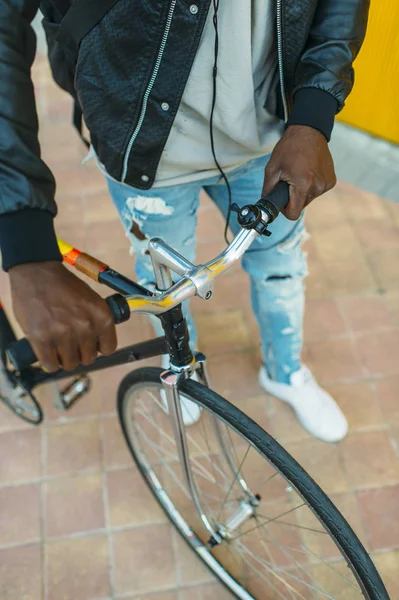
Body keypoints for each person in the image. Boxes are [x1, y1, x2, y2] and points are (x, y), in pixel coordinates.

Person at [0, 0, 369, 440]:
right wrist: (25, 241)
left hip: (270, 141)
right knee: (165, 288)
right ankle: (180, 370)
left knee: (282, 269)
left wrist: (313, 116)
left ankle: (286, 372)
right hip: (141, 147)